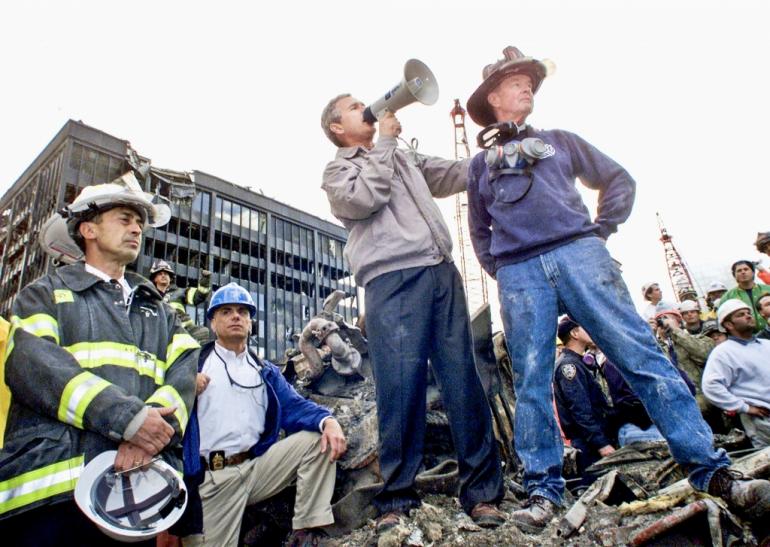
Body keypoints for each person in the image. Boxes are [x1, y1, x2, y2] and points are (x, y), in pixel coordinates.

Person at [465, 45, 770, 531]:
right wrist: (506, 270)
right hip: (520, 272)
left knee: (642, 357)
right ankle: (544, 493)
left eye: (529, 80)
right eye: (516, 81)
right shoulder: (480, 167)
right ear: (494, 97)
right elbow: (480, 231)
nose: (527, 86)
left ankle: (712, 472)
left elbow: (617, 180)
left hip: (580, 254)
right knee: (530, 380)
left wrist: (598, 233)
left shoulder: (561, 141)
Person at [320, 94, 505, 530]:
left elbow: (451, 174)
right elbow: (366, 197)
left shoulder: (401, 155)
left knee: (464, 379)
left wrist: (494, 158)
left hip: (439, 272)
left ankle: (482, 494)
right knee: (400, 387)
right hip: (393, 280)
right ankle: (396, 500)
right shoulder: (338, 170)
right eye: (354, 106)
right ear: (335, 128)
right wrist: (384, 143)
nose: (365, 107)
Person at [0, 173, 199, 545]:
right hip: (51, 494)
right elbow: (35, 366)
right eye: (124, 219)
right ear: (88, 230)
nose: (137, 229)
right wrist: (130, 420)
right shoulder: (44, 295)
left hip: (131, 496)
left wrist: (145, 437)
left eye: (140, 223)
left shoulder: (164, 313)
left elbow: (184, 376)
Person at [178, 283, 346, 546]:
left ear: (250, 322)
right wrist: (184, 387)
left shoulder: (264, 371)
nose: (236, 316)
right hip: (213, 479)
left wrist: (329, 421)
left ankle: (305, 532)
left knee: (317, 440)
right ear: (212, 322)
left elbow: (295, 406)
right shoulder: (194, 364)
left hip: (257, 469)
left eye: (243, 312)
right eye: (226, 311)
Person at [702, 299, 770, 448]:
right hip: (763, 422)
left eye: (748, 313)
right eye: (741, 315)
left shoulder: (766, 344)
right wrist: (744, 407)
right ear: (728, 325)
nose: (748, 316)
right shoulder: (723, 353)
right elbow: (710, 386)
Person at [552, 318, 616, 477]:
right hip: (589, 445)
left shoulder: (579, 362)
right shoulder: (570, 366)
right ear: (574, 333)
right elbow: (580, 410)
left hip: (592, 440)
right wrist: (601, 444)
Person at [149, 259, 212, 344]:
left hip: (184, 331)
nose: (163, 276)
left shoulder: (180, 292)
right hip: (160, 334)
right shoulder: (149, 296)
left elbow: (198, 296)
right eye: (160, 274)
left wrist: (205, 281)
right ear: (154, 279)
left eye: (166, 274)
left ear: (170, 278)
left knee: (202, 333)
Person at [721, 260, 770, 332]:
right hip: (745, 337)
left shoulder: (768, 289)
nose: (743, 272)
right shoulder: (728, 297)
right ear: (734, 275)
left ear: (753, 272)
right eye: (739, 270)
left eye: (746, 269)